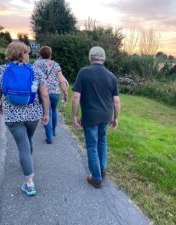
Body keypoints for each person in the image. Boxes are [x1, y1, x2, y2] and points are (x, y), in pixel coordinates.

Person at [0, 41, 50, 196]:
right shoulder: (35, 70)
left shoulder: (1, 70)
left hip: (13, 116)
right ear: (21, 54)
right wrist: (46, 114)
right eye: (27, 53)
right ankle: (28, 167)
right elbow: (44, 95)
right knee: (27, 141)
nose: (28, 56)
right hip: (33, 115)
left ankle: (30, 184)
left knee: (23, 144)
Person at [72, 46, 121, 188]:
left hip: (90, 116)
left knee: (92, 145)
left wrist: (74, 115)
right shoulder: (111, 76)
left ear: (90, 57)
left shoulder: (84, 72)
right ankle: (102, 169)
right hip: (106, 115)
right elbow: (116, 101)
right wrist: (116, 117)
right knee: (102, 141)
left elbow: (76, 97)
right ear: (103, 58)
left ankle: (96, 178)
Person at [34, 46, 69, 144]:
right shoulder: (56, 65)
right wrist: (65, 93)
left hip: (42, 91)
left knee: (46, 112)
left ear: (40, 54)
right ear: (50, 54)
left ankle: (49, 137)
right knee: (54, 110)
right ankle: (53, 132)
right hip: (55, 92)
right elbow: (61, 80)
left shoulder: (36, 64)